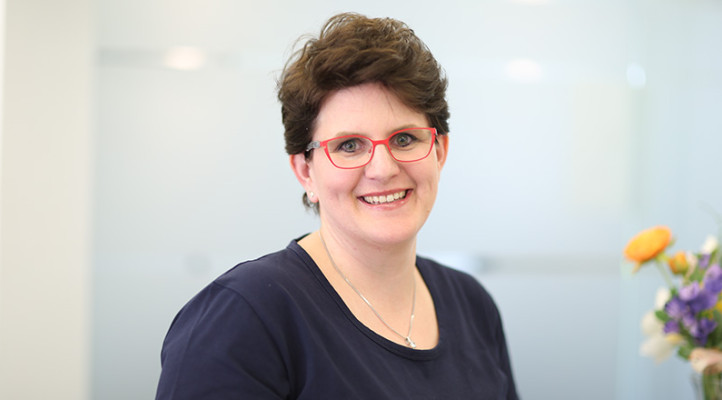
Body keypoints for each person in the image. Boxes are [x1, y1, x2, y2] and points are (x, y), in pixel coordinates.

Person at [156, 12, 518, 399]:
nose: (383, 169)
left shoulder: (472, 305)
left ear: (439, 151)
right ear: (305, 171)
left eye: (404, 139)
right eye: (349, 146)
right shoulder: (244, 316)